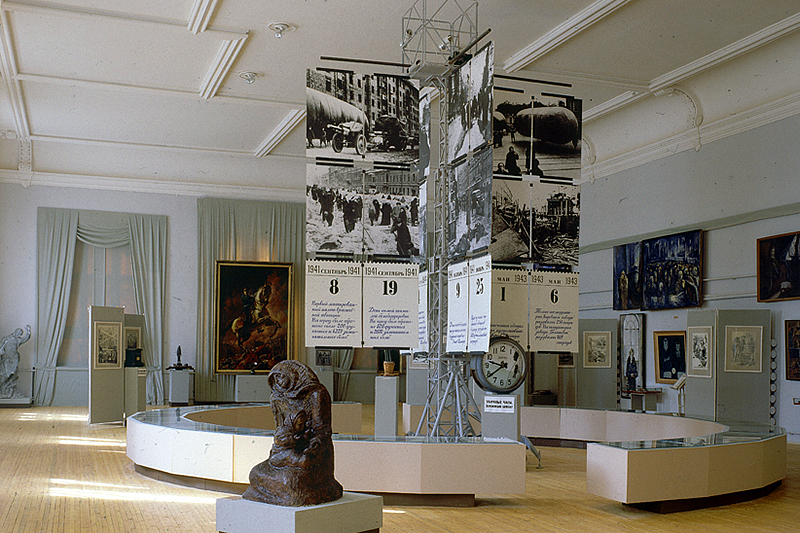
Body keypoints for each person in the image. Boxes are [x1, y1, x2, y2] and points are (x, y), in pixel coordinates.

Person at [0, 325, 31, 399]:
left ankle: (8, 389)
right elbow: (1, 346)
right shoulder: (6, 339)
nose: (18, 335)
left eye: (20, 334)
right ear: (15, 332)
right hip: (6, 359)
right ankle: (2, 388)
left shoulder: (18, 340)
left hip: (14, 359)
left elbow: (24, 340)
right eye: (18, 333)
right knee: (6, 375)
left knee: (13, 375)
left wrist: (28, 333)